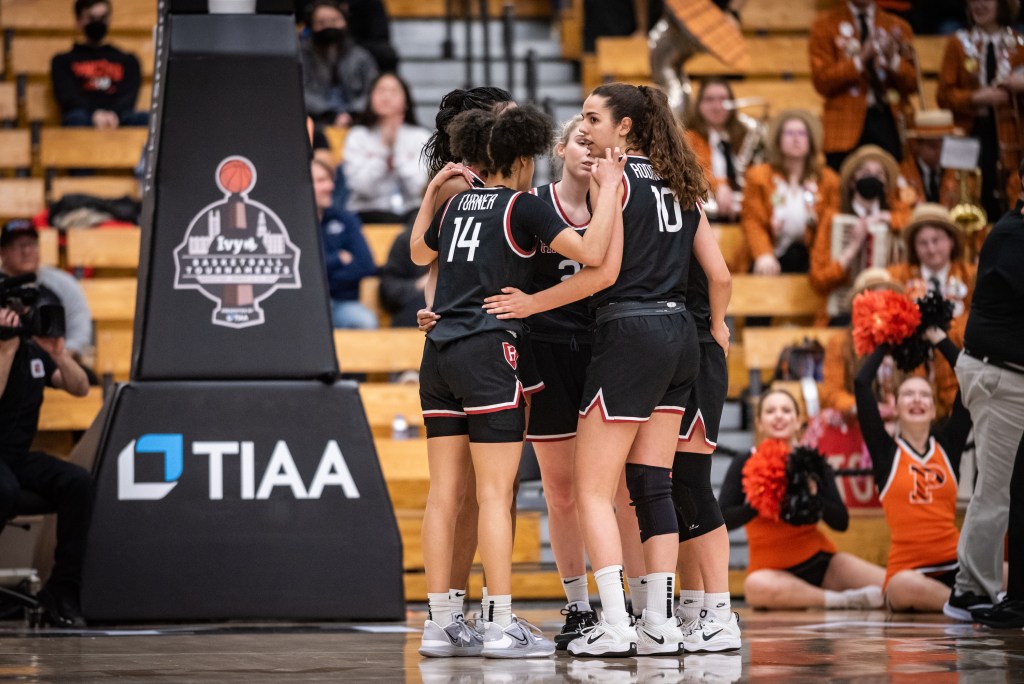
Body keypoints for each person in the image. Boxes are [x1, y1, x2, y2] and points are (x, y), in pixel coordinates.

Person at [410, 104, 624, 658]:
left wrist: (434, 190)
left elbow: (418, 252)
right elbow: (593, 253)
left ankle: (438, 624)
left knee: (443, 495)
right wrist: (611, 187)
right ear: (525, 158)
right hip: (488, 351)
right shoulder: (523, 207)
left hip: (437, 354)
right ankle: (500, 624)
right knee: (493, 494)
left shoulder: (457, 204)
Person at [566, 83, 731, 658]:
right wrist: (718, 327)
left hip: (629, 330)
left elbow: (598, 263)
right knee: (654, 483)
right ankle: (659, 625)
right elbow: (721, 276)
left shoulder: (613, 178)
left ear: (626, 127)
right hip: (681, 333)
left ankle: (615, 623)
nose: (584, 127)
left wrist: (534, 302)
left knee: (592, 489)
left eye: (593, 118)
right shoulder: (681, 183)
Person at [479, 115, 604, 649]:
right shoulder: (532, 205)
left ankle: (632, 605)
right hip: (547, 353)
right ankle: (578, 605)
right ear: (560, 147)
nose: (589, 151)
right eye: (581, 140)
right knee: (560, 491)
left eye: (598, 144)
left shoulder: (614, 208)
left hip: (605, 352)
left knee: (611, 491)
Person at [417, 85, 516, 630]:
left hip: (465, 334)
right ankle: (466, 610)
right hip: (477, 337)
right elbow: (429, 258)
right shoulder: (462, 181)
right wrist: (431, 307)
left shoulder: (477, 182)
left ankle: (458, 614)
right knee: (479, 494)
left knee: (482, 494)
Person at [720, 389, 887, 610]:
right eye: (770, 411)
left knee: (892, 586)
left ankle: (824, 596)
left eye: (786, 410)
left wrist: (814, 495)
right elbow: (723, 519)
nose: (779, 415)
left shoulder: (812, 461)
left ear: (798, 421)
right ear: (759, 422)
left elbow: (841, 522)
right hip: (770, 573)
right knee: (754, 586)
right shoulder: (745, 461)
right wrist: (762, 498)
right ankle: (839, 601)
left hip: (822, 563)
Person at [945, 161, 1024, 623]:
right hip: (1000, 377)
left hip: (1006, 372)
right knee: (995, 489)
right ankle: (968, 590)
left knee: (1007, 489)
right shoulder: (1013, 234)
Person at [855, 329, 972, 612]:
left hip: (957, 566)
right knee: (902, 585)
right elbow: (861, 383)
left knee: (1008, 571)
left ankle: (964, 603)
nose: (917, 400)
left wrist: (937, 338)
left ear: (934, 409)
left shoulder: (949, 445)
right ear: (895, 407)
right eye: (908, 394)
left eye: (924, 395)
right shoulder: (886, 452)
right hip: (909, 572)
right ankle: (969, 607)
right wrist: (888, 338)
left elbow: (969, 378)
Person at [0, 280, 92, 627]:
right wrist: (6, 351)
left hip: (17, 456)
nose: (19, 314)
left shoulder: (31, 350)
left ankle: (63, 590)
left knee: (77, 482)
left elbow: (80, 388)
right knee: (4, 489)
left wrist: (58, 354)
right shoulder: (8, 350)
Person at [670, 253, 740, 653]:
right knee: (673, 487)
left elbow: (721, 276)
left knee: (692, 483)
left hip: (697, 347)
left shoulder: (688, 204)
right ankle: (694, 607)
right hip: (673, 348)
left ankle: (721, 613)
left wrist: (716, 325)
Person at [937, 0, 1024, 220]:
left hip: (1010, 135)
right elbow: (944, 96)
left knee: (1008, 193)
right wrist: (976, 98)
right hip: (969, 130)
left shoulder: (1020, 45)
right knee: (965, 198)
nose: (978, 4)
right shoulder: (957, 44)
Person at [887, 203, 976, 417]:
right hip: (914, 378)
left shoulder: (971, 274)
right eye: (923, 243)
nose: (931, 248)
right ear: (914, 248)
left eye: (937, 240)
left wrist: (944, 334)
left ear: (951, 241)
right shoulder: (898, 277)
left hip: (958, 379)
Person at [809, 0, 917, 170]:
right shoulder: (825, 25)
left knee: (892, 185)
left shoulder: (898, 26)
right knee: (841, 186)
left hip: (888, 119)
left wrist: (893, 61)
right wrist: (860, 60)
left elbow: (914, 84)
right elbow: (822, 81)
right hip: (843, 125)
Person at [810, 144, 911, 324]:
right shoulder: (832, 219)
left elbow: (913, 220)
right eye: (865, 173)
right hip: (842, 313)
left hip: (886, 311)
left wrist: (885, 218)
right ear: (851, 181)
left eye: (879, 174)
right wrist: (852, 247)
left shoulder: (898, 218)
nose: (872, 178)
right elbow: (818, 280)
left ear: (887, 184)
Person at [741, 109, 841, 276]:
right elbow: (752, 221)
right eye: (789, 133)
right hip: (771, 256)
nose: (796, 138)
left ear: (811, 141)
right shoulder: (759, 176)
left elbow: (830, 224)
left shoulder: (828, 180)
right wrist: (763, 253)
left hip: (812, 258)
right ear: (778, 140)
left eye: (802, 133)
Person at [0, 221, 93, 367]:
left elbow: (79, 328)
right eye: (18, 246)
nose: (26, 251)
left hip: (53, 360)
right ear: (3, 252)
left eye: (31, 244)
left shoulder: (63, 283)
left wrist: (59, 359)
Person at [342, 73, 431, 223]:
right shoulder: (358, 136)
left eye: (393, 91)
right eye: (381, 90)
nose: (386, 96)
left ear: (406, 101)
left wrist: (397, 151)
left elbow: (419, 188)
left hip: (411, 212)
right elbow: (361, 187)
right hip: (367, 211)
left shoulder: (420, 136)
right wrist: (384, 148)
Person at [50, 0, 147, 129]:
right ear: (78, 21)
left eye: (103, 17)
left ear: (109, 19)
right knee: (75, 118)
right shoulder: (62, 61)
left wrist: (113, 115)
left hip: (119, 117)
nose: (97, 23)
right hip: (84, 118)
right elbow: (69, 97)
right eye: (91, 18)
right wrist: (95, 114)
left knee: (146, 119)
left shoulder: (128, 61)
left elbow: (128, 97)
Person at [820, 268, 902, 418]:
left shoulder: (906, 340)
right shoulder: (840, 342)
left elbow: (919, 382)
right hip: (858, 422)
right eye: (873, 299)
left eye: (886, 299)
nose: (880, 305)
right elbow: (832, 394)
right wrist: (867, 408)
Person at [312, 159, 378, 329]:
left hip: (343, 303)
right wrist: (338, 259)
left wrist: (324, 275)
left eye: (329, 180)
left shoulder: (346, 219)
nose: (330, 186)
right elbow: (303, 272)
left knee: (366, 321)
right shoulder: (292, 224)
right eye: (320, 181)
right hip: (306, 305)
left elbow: (366, 265)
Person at [300, 0, 379, 127]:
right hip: (316, 121)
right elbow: (300, 92)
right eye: (321, 22)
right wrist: (330, 113)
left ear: (345, 22)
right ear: (311, 26)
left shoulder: (361, 56)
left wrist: (351, 113)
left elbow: (373, 90)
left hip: (358, 120)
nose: (328, 26)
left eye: (334, 21)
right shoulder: (301, 57)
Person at [683, 78, 750, 222]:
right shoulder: (689, 139)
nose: (716, 106)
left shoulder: (744, 136)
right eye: (709, 99)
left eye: (723, 99)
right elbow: (696, 171)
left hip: (744, 212)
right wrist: (720, 187)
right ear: (699, 104)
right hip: (704, 215)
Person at [900, 110, 962, 209]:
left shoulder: (957, 173)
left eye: (944, 146)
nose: (940, 152)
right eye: (933, 147)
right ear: (917, 146)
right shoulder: (903, 173)